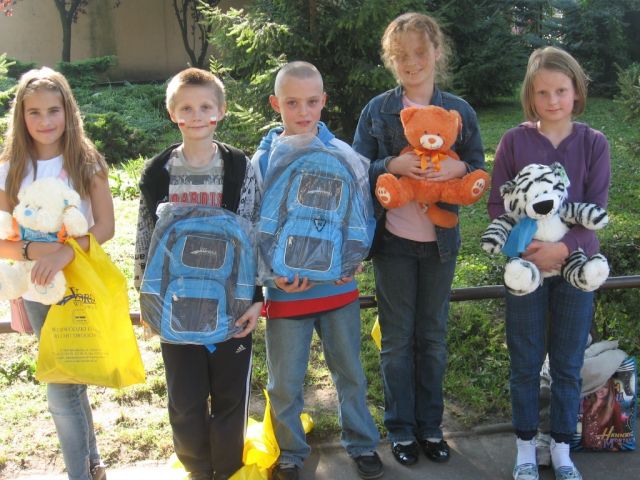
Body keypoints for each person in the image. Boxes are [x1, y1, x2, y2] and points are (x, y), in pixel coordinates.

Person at [352, 12, 486, 468]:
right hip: (392, 245)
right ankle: (400, 430)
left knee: (432, 337)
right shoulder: (377, 111)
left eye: (420, 52)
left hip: (439, 247)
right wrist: (390, 165)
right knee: (396, 341)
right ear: (391, 60)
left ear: (437, 52)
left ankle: (430, 426)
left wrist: (459, 168)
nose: (411, 62)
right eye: (401, 55)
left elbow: (477, 168)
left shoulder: (460, 111)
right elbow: (357, 168)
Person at [251, 61, 383, 480]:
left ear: (324, 101)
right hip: (286, 292)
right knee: (284, 382)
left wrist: (355, 259)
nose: (303, 111)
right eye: (292, 103)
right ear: (276, 104)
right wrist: (271, 276)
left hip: (337, 289)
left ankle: (362, 443)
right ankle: (291, 451)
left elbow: (362, 215)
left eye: (311, 101)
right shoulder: (262, 161)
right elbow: (253, 225)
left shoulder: (343, 154)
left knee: (350, 373)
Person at [487, 46, 610, 480]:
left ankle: (561, 448)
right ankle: (525, 447)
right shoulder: (514, 141)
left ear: (576, 91)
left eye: (561, 90)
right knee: (524, 362)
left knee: (567, 364)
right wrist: (524, 248)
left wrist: (566, 247)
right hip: (526, 271)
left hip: (577, 271)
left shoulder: (594, 143)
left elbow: (597, 210)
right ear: (530, 95)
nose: (553, 100)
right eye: (543, 92)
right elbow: (496, 205)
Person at [133, 68, 262, 480]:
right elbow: (146, 240)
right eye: (186, 108)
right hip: (176, 306)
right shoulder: (158, 172)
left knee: (230, 396)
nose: (197, 115)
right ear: (173, 113)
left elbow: (254, 233)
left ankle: (228, 468)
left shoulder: (239, 166)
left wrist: (256, 299)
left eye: (206, 106)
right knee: (185, 399)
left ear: (220, 110)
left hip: (231, 305)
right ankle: (198, 470)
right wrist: (147, 301)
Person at [0, 68, 113, 480]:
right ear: (21, 116)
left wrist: (65, 253)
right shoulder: (9, 169)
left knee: (61, 390)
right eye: (34, 112)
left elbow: (105, 226)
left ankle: (80, 474)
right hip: (35, 291)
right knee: (68, 383)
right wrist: (33, 251)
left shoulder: (85, 161)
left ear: (68, 110)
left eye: (53, 110)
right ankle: (92, 465)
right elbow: (3, 240)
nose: (45, 120)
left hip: (78, 287)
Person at [581, 378, 624, 450]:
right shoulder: (587, 403)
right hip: (586, 448)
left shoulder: (614, 406)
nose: (600, 390)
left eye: (605, 387)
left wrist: (616, 447)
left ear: (610, 389)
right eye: (598, 386)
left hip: (603, 448)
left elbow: (619, 430)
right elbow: (584, 427)